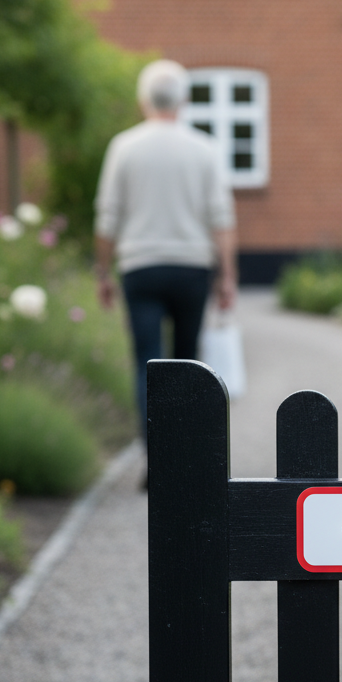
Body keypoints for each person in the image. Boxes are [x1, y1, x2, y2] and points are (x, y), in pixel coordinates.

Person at [94, 59, 237, 449]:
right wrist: (227, 277)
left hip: (140, 268)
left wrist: (103, 273)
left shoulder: (123, 148)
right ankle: (184, 454)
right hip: (192, 268)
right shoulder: (205, 150)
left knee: (147, 363)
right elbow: (221, 219)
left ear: (143, 100)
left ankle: (153, 455)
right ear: (184, 100)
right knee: (188, 364)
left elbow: (107, 218)